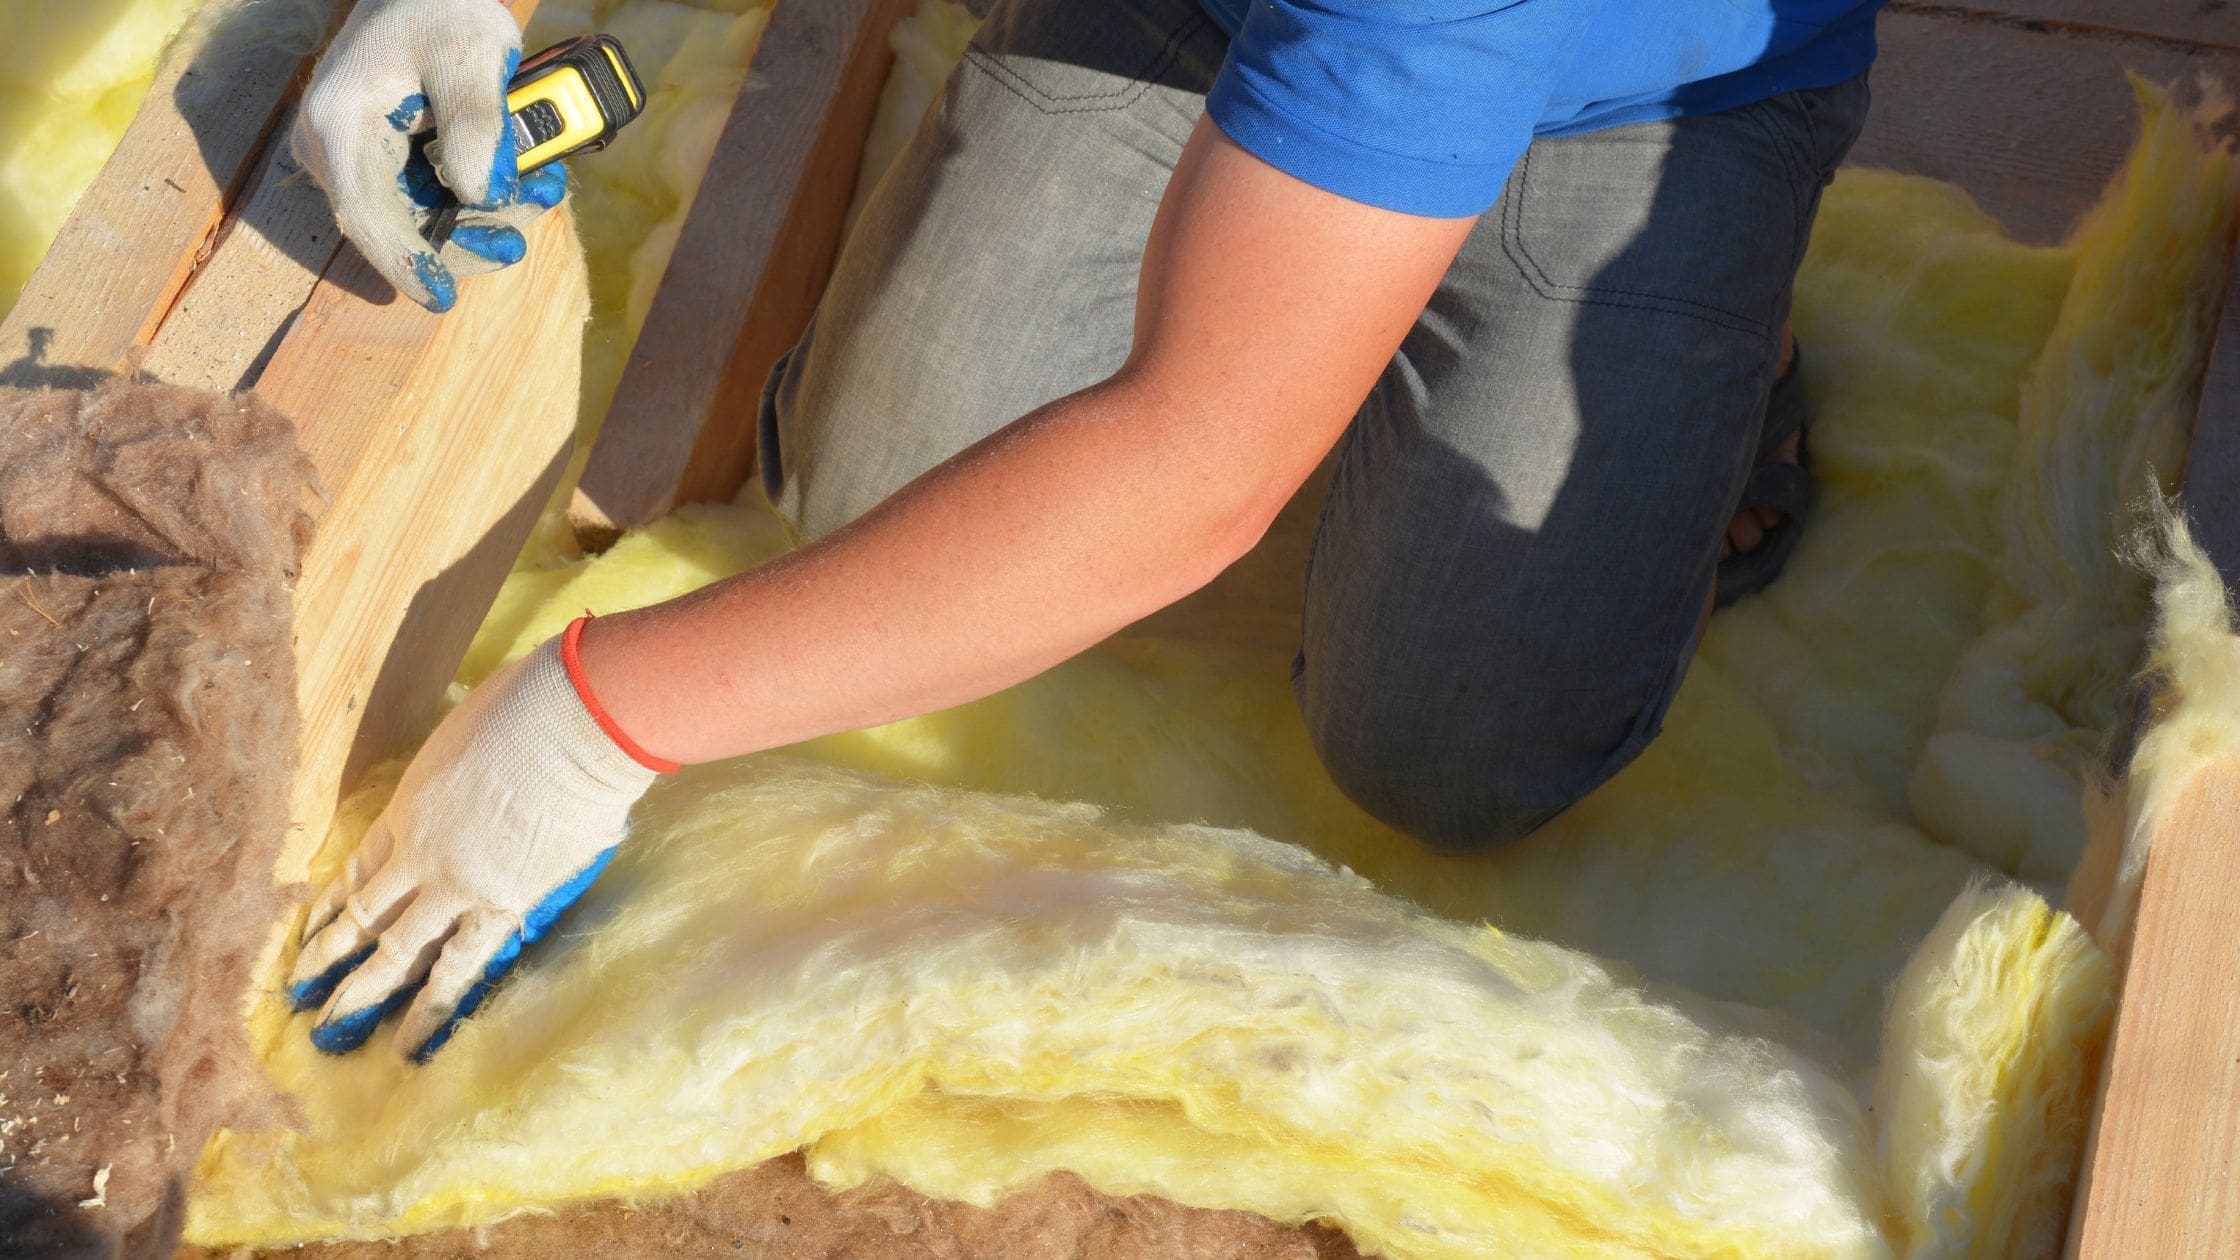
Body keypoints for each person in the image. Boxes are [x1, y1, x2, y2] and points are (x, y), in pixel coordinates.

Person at [284, 0, 1877, 1059]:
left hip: (1631, 98)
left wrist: (590, 722)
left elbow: (1194, 477)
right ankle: (1312, 240)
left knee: (1460, 743)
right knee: (885, 497)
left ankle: (1710, 332)